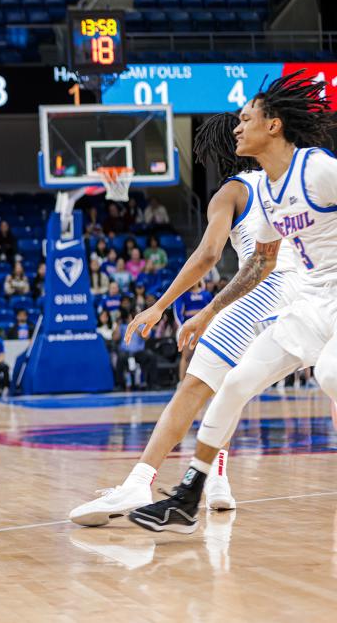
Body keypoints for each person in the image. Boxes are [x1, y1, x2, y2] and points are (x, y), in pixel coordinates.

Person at [70, 109, 305, 528]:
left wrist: (161, 304)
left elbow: (210, 255)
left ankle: (140, 480)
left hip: (264, 291)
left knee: (194, 386)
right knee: (231, 389)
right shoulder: (282, 181)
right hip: (306, 296)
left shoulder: (231, 192)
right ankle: (217, 483)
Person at [129, 72, 337, 533]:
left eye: (246, 119)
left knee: (329, 373)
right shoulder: (268, 190)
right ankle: (188, 496)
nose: (237, 127)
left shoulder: (319, 169)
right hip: (310, 304)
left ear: (274, 126)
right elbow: (258, 265)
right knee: (236, 384)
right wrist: (206, 311)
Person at [172, 280, 211, 379]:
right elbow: (178, 313)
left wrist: (193, 313)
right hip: (188, 327)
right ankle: (181, 382)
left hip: (205, 327)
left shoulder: (206, 294)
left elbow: (212, 311)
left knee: (206, 356)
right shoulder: (183, 295)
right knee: (187, 356)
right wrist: (184, 327)